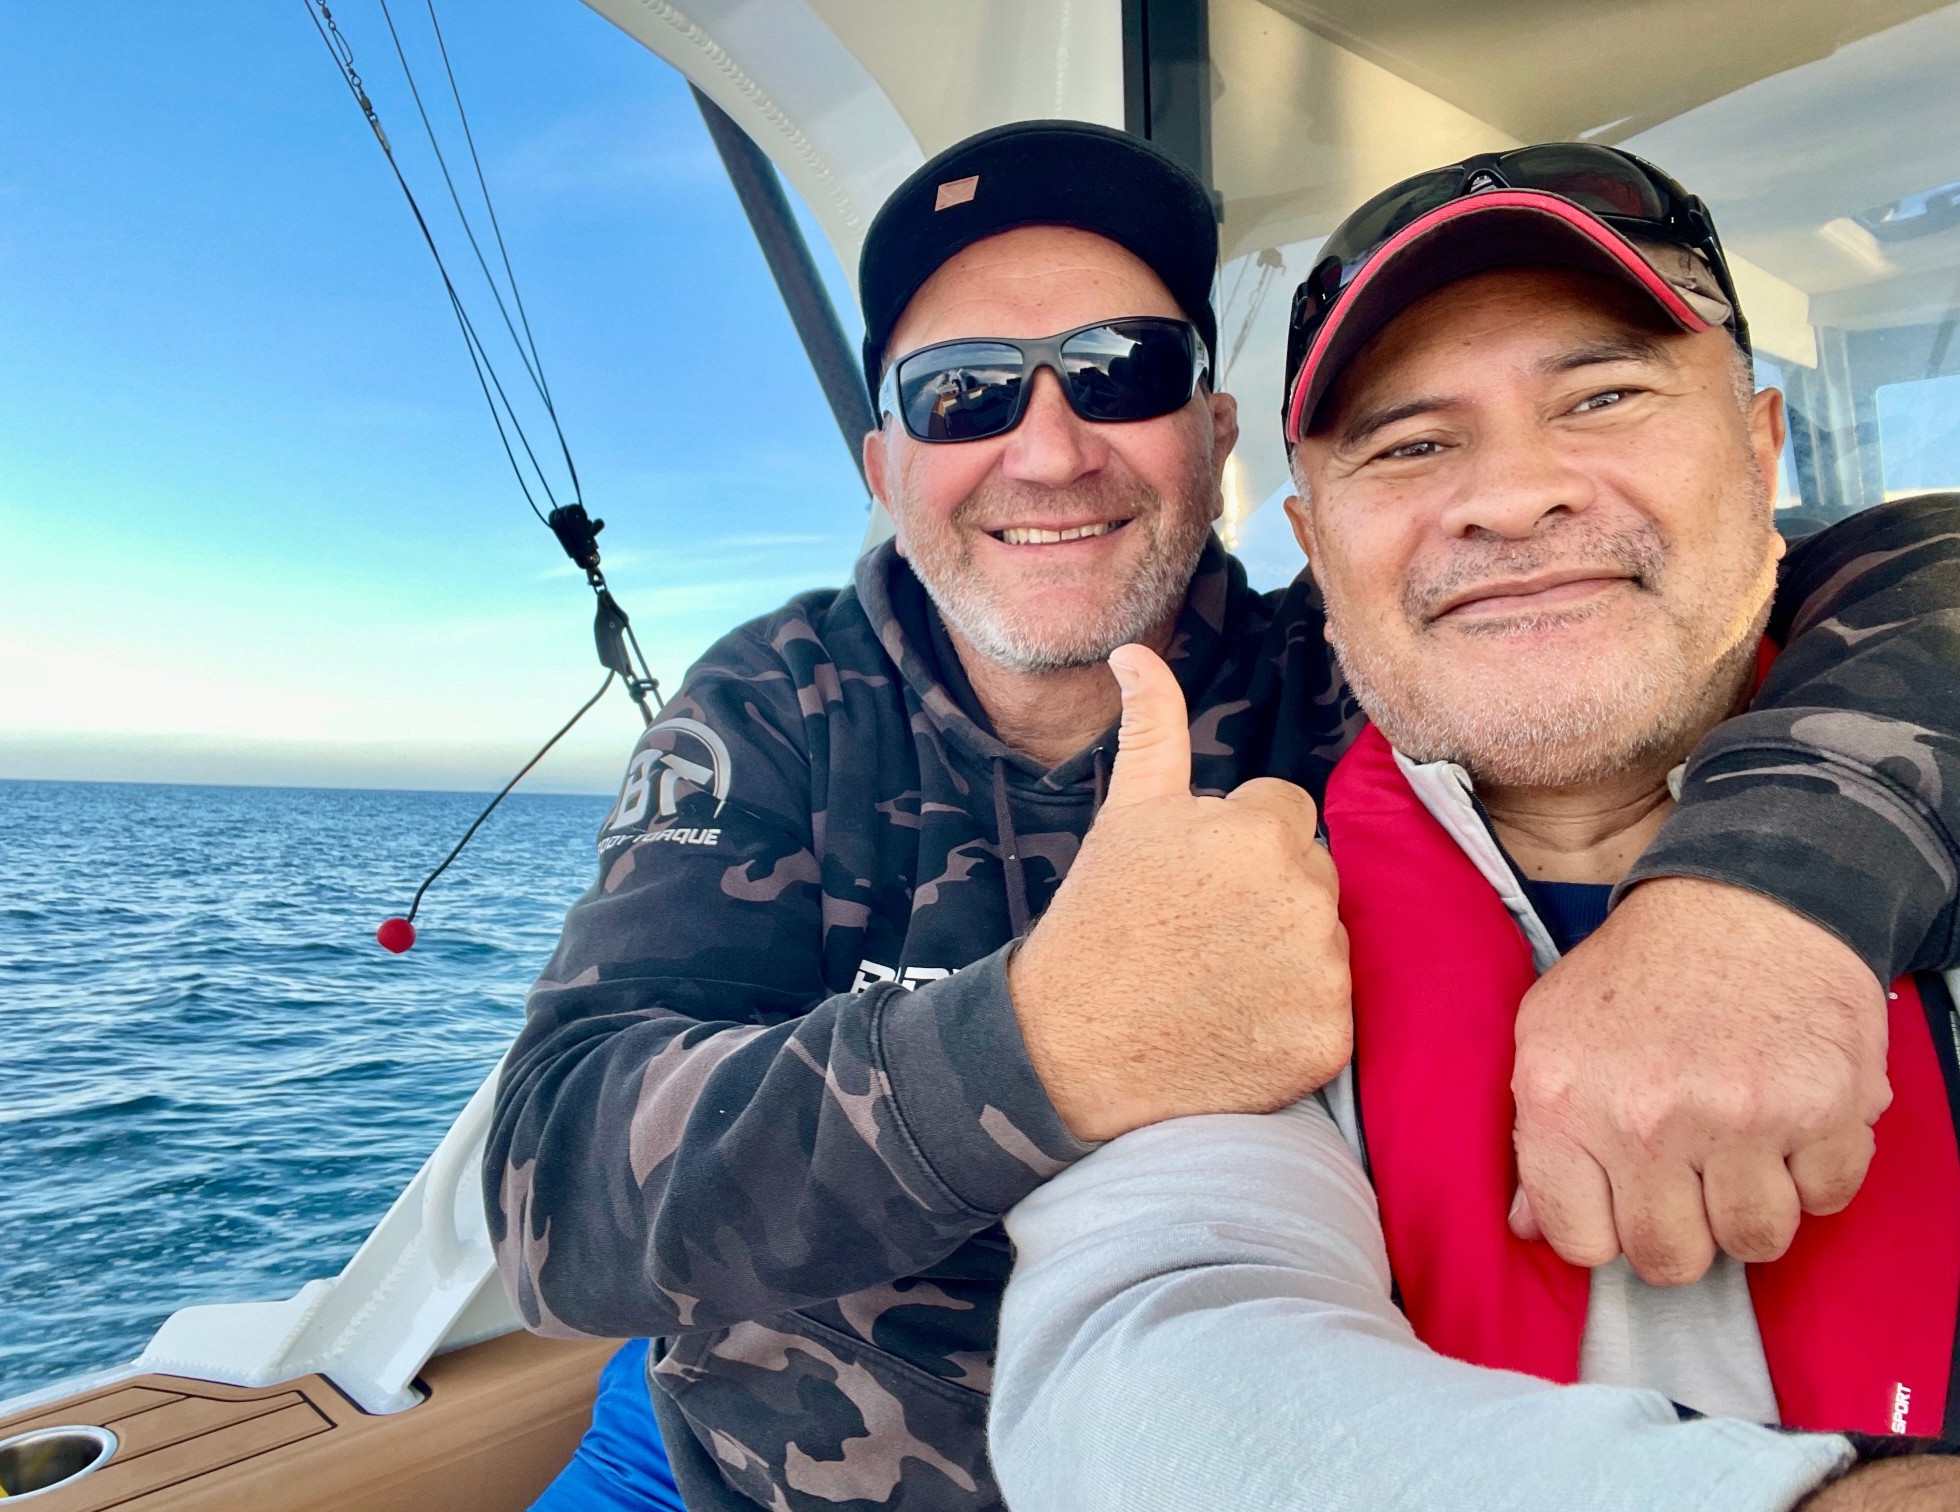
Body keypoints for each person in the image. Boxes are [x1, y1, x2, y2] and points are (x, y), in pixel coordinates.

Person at [486, 123, 1960, 1512]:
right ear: (886, 468)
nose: (1050, 451)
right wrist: (1047, 1042)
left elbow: (1891, 574)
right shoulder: (777, 704)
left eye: (1120, 371)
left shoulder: (1365, 662)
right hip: (767, 1463)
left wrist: (1768, 887)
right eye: (963, 393)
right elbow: (554, 1180)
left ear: (1215, 435)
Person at [988, 147, 1960, 1511]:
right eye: (1415, 443)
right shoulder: (1251, 939)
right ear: (1317, 551)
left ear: (1762, 449)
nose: (1514, 496)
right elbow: (1139, 1376)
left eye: (1603, 396)